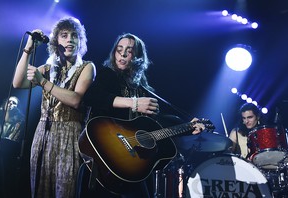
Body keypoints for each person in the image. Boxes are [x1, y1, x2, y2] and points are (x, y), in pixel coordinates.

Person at [79, 33, 205, 198]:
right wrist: (133, 103)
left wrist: (188, 127)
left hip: (131, 162)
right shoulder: (107, 75)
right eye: (119, 49)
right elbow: (91, 97)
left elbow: (157, 124)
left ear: (137, 56)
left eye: (129, 51)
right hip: (103, 154)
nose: (122, 54)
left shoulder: (144, 90)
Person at [12, 17, 96, 198]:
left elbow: (75, 100)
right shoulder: (48, 68)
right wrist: (28, 49)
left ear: (80, 41)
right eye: (64, 36)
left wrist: (42, 82)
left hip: (70, 134)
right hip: (43, 132)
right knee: (40, 190)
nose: (70, 40)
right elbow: (18, 83)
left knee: (65, 190)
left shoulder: (87, 67)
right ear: (56, 41)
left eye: (74, 36)